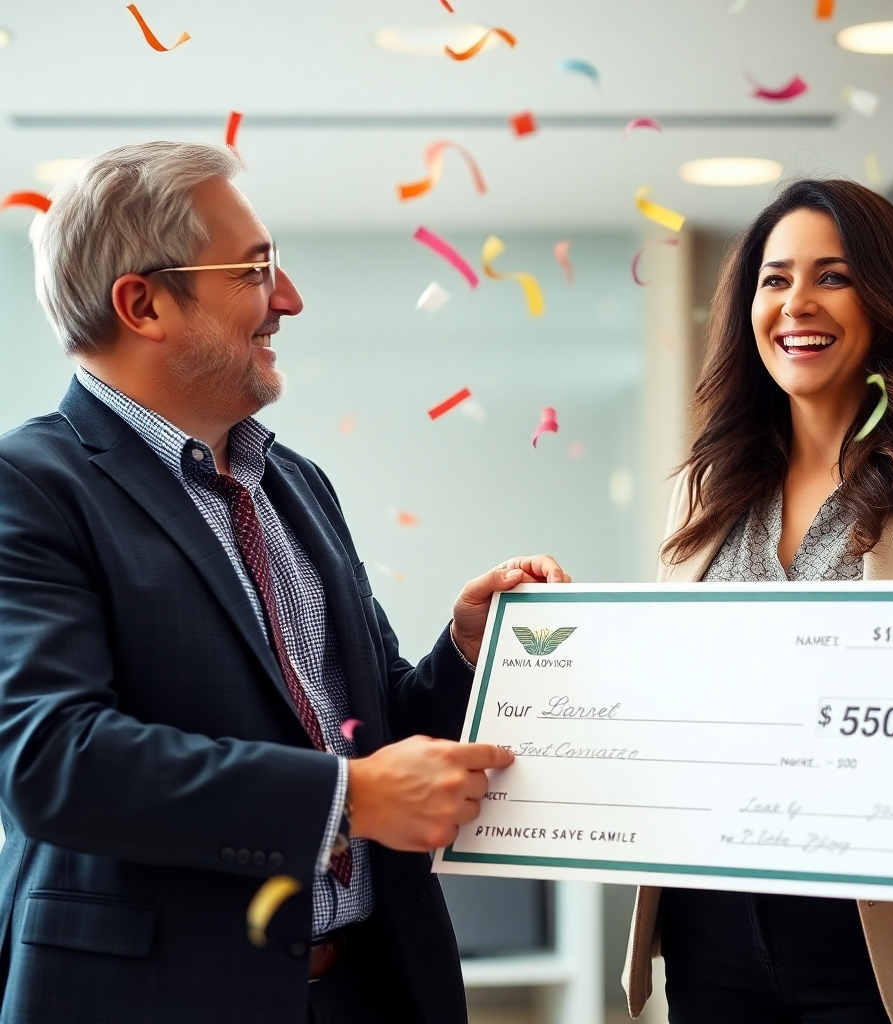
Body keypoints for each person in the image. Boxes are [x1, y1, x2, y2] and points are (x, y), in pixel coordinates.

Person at [0, 141, 569, 1024]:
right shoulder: (29, 487)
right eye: (256, 270)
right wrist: (351, 799)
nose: (289, 299)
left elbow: (371, 725)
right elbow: (52, 760)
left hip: (370, 991)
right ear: (142, 303)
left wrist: (465, 652)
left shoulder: (293, 483)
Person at [622, 179, 893, 1024]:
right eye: (774, 279)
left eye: (832, 275)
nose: (797, 302)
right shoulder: (702, 490)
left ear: (886, 299)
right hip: (712, 924)